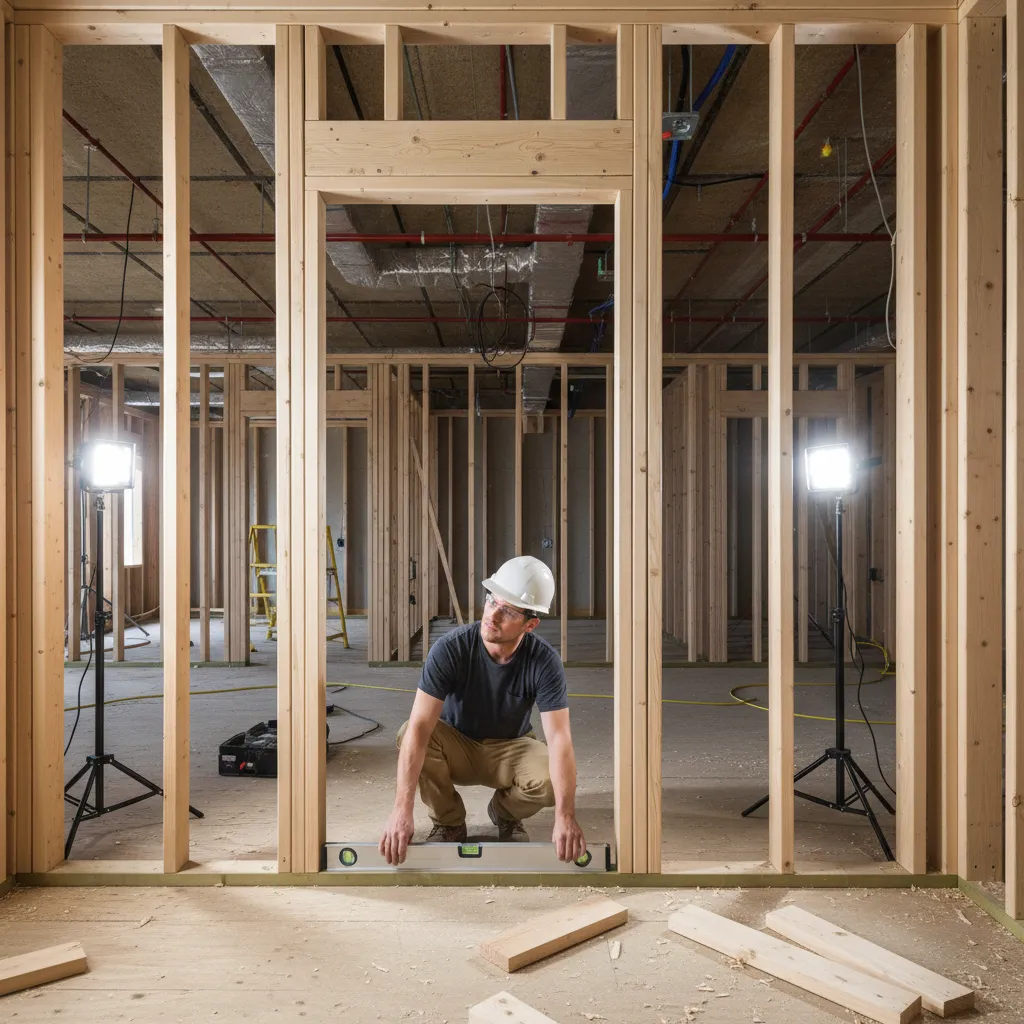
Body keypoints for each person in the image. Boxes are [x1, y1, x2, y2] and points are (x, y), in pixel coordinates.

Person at [379, 555, 586, 866]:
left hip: (510, 746)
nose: (492, 615)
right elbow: (421, 727)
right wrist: (401, 808)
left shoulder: (543, 661)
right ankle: (449, 822)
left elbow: (559, 740)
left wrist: (565, 817)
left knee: (549, 782)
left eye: (508, 611)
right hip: (455, 743)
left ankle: (504, 813)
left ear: (530, 624)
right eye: (492, 601)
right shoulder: (451, 648)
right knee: (409, 732)